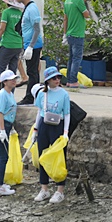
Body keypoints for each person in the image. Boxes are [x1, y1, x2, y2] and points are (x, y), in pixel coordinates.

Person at [32, 66, 70, 204]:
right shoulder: (42, 93)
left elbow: (67, 114)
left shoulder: (64, 94)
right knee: (42, 156)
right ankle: (44, 188)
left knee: (59, 157)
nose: (57, 80)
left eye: (59, 77)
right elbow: (39, 111)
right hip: (44, 124)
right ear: (48, 80)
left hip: (57, 126)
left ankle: (60, 190)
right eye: (54, 78)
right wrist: (35, 129)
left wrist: (65, 132)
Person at [0, 69, 20, 196]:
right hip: (1, 126)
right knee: (3, 157)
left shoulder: (9, 93)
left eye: (14, 79)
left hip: (7, 125)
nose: (14, 81)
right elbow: (0, 114)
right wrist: (2, 130)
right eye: (11, 79)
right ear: (4, 82)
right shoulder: (3, 94)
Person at [14, 0, 44, 105]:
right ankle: (33, 96)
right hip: (29, 44)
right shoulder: (27, 7)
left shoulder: (32, 8)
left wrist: (31, 46)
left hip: (34, 45)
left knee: (32, 72)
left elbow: (37, 29)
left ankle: (30, 97)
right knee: (32, 71)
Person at [63, 0, 90, 89]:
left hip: (69, 33)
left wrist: (64, 34)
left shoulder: (67, 0)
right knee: (77, 58)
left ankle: (69, 80)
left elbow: (65, 19)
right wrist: (84, 2)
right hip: (78, 33)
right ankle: (73, 81)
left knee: (71, 58)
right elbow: (87, 15)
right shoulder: (78, 0)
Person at [18, 0, 45, 84]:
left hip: (31, 35)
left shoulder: (29, 3)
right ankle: (34, 81)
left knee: (31, 66)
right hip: (38, 34)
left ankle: (27, 78)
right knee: (36, 62)